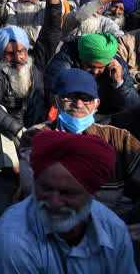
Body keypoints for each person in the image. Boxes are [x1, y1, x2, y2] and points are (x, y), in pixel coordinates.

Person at [0, 130, 135, 273]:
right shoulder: (12, 242)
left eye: (68, 193)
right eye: (46, 188)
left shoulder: (113, 230)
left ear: (91, 194)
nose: (55, 202)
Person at [19, 69, 140, 213]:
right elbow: (33, 189)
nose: (79, 104)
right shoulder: (36, 136)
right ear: (56, 100)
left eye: (86, 98)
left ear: (97, 103)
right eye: (70, 97)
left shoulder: (119, 138)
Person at [0, 0, 63, 172]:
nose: (18, 58)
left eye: (21, 52)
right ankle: (15, 172)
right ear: (0, 54)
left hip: (39, 128)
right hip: (14, 131)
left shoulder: (37, 60)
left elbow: (52, 30)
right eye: (10, 54)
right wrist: (19, 131)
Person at [46, 32, 140, 117]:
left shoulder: (118, 66)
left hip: (106, 118)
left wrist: (119, 83)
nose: (95, 72)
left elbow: (133, 106)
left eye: (100, 68)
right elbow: (55, 96)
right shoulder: (65, 61)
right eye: (90, 66)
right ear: (81, 59)